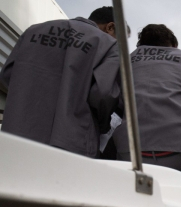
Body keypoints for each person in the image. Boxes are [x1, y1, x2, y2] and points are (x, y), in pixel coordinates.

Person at [0, 6, 121, 157]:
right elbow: (103, 94)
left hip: (16, 135)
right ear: (111, 27)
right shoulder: (110, 45)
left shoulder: (33, 31)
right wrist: (102, 126)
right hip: (71, 143)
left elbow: (6, 76)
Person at [113, 24, 181, 183]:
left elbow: (110, 102)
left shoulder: (125, 61)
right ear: (173, 45)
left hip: (130, 152)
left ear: (141, 45)